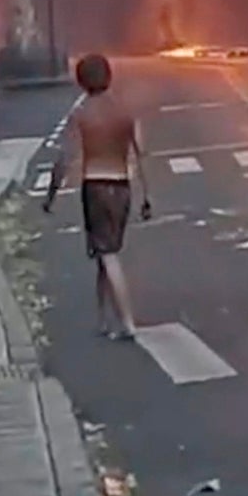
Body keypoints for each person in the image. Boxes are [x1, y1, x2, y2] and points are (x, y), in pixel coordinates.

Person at [44, 53, 151, 339]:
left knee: (107, 254)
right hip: (122, 188)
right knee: (103, 252)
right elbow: (141, 152)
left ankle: (128, 322)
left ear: (81, 81)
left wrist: (51, 195)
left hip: (96, 187)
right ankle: (103, 319)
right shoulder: (126, 109)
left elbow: (64, 157)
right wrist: (146, 197)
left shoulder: (81, 114)